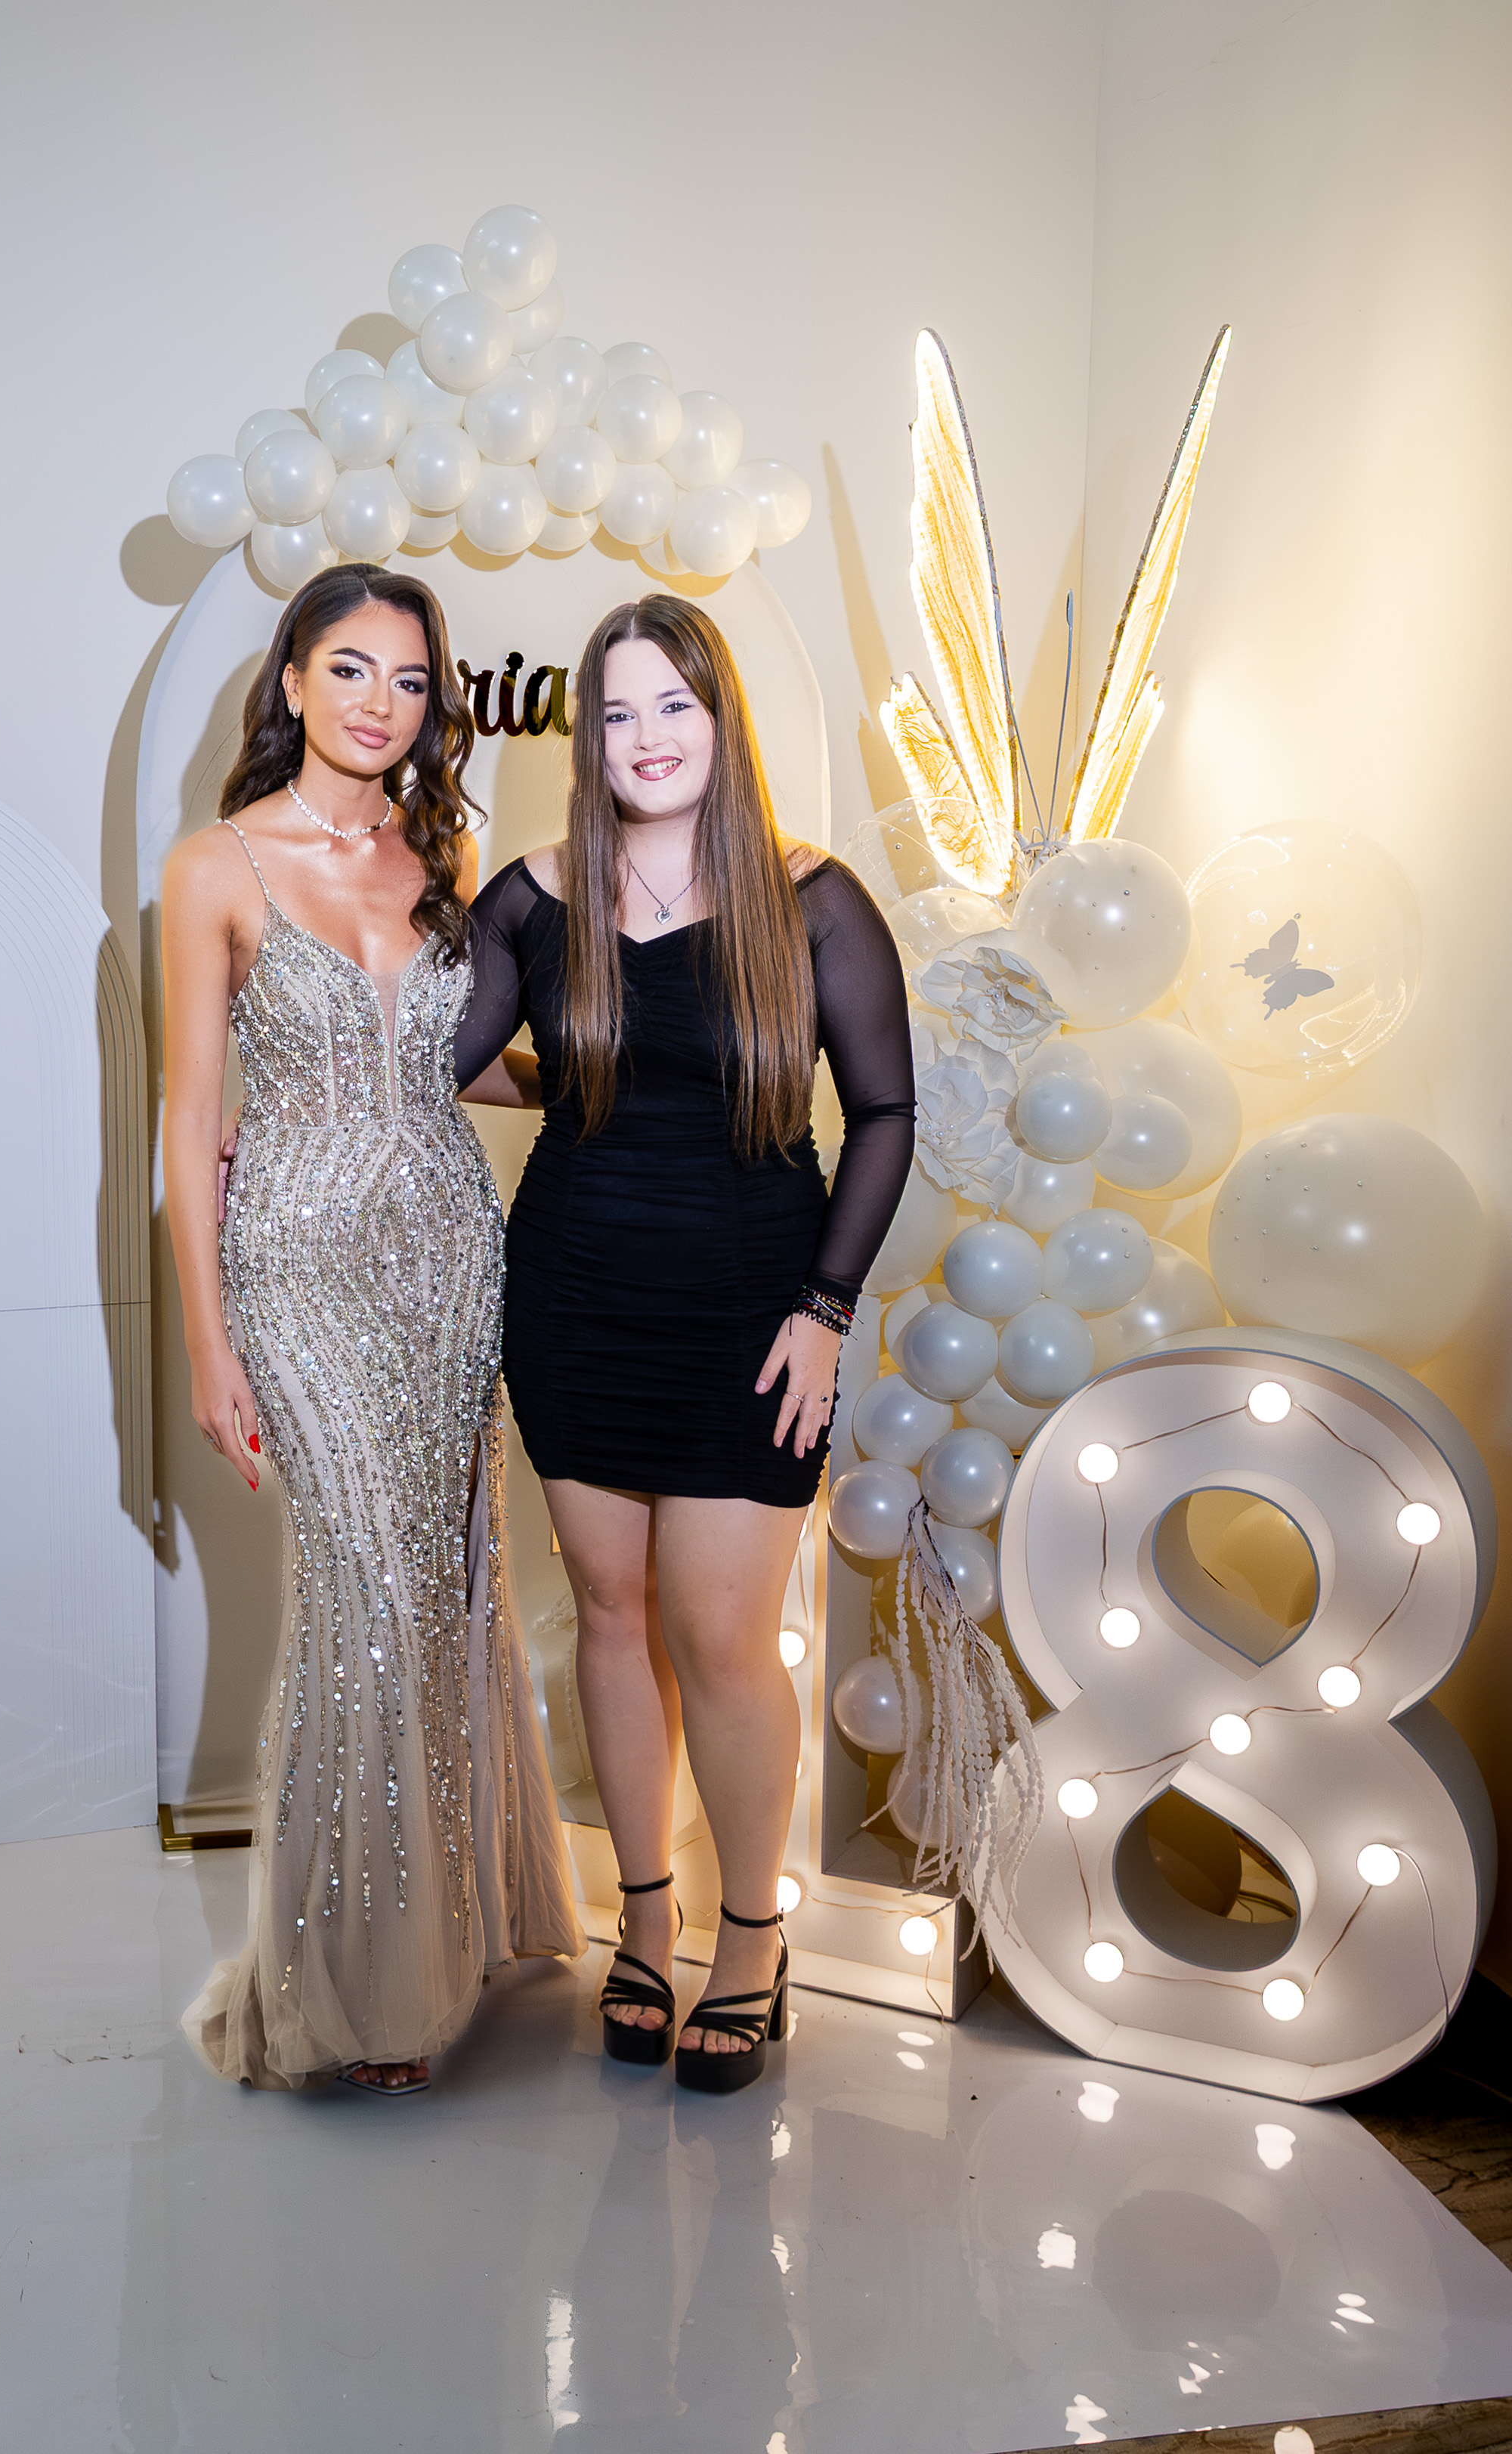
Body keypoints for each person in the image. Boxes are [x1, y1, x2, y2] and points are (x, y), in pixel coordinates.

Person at [450, 595, 916, 2093]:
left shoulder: (812, 898)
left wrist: (825, 1311)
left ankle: (752, 1936)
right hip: (575, 1299)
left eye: (674, 706)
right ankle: (644, 1924)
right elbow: (432, 1060)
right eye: (615, 712)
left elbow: (883, 1113)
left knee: (720, 1636)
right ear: (584, 739)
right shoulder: (532, 898)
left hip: (754, 1314)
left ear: (720, 723)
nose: (646, 737)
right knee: (609, 1615)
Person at [166, 562, 576, 2095]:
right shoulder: (213, 866)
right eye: (349, 669)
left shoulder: (439, 851)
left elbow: (442, 1065)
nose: (378, 704)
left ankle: (458, 1926)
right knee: (366, 1603)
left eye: (409, 681)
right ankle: (349, 1981)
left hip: (448, 1256)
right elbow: (188, 1119)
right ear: (290, 679)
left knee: (454, 1580)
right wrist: (208, 1344)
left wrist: (599, 1073)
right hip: (296, 1264)